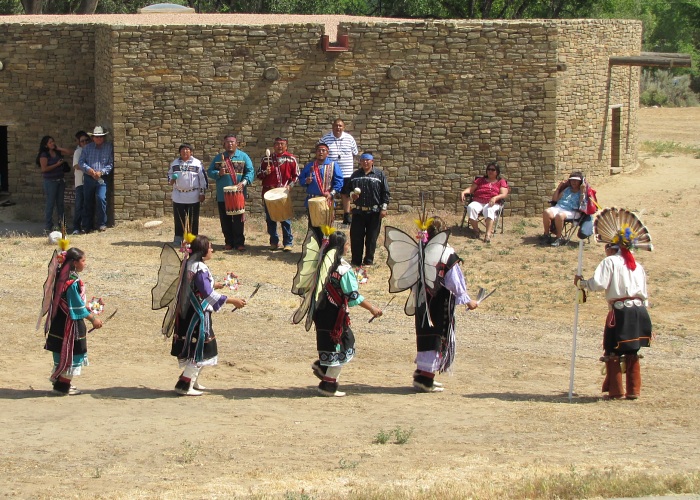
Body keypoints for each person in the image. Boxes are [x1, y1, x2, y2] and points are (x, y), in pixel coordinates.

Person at [575, 238, 653, 400]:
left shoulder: (610, 261)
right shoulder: (638, 266)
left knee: (611, 348)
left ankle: (616, 391)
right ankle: (633, 390)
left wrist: (582, 284)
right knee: (632, 350)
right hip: (640, 311)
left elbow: (598, 283)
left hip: (621, 312)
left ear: (611, 248)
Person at [171, 235, 247, 396]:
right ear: (202, 250)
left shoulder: (189, 263)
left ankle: (192, 380)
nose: (212, 250)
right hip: (196, 316)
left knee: (204, 346)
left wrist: (218, 284)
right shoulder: (199, 268)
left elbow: (198, 286)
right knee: (201, 348)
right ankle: (184, 385)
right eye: (210, 247)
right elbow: (207, 294)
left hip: (189, 312)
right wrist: (233, 300)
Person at [309, 231, 382, 397]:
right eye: (347, 243)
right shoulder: (343, 268)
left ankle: (322, 367)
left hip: (320, 313)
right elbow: (352, 296)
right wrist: (372, 308)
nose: (349, 246)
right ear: (341, 247)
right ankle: (327, 386)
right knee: (342, 346)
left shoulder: (319, 263)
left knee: (330, 345)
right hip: (335, 317)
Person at [411, 218, 478, 392]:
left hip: (422, 299)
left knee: (425, 332)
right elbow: (454, 281)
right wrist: (468, 300)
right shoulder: (446, 253)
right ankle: (426, 379)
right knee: (436, 335)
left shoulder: (420, 249)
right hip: (439, 301)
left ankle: (422, 374)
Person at [43, 247, 103, 395]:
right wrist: (93, 319)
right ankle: (62, 386)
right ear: (75, 263)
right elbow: (77, 307)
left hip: (59, 321)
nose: (85, 264)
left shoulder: (60, 276)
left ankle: (59, 381)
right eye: (83, 260)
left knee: (60, 350)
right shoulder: (72, 281)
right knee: (73, 352)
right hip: (70, 324)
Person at [342, 152, 390, 267]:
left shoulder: (379, 175)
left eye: (367, 160)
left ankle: (368, 261)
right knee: (356, 237)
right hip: (358, 211)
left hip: (374, 212)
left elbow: (385, 192)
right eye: (363, 160)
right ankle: (356, 261)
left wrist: (384, 208)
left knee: (372, 238)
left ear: (372, 161)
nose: (365, 162)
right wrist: (352, 194)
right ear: (360, 162)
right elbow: (347, 191)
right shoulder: (355, 175)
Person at [207, 134, 254, 251]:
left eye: (232, 142)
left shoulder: (243, 156)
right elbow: (209, 171)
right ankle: (228, 242)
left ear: (236, 143)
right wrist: (218, 173)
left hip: (238, 194)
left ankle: (239, 243)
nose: (230, 144)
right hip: (223, 196)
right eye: (227, 142)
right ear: (224, 144)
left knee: (238, 220)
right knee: (225, 220)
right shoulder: (218, 158)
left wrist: (243, 183)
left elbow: (250, 171)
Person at [257, 137, 299, 251]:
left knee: (285, 218)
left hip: (283, 192)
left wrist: (290, 186)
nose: (279, 146)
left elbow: (296, 176)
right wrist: (266, 172)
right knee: (270, 219)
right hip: (268, 192)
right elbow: (258, 175)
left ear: (286, 146)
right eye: (277, 144)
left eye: (282, 144)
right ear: (274, 146)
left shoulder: (291, 159)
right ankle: (274, 242)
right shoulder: (266, 159)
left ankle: (288, 242)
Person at [298, 142, 343, 241]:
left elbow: (339, 182)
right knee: (313, 226)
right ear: (316, 152)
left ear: (327, 153)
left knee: (327, 227)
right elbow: (301, 179)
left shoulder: (333, 165)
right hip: (312, 200)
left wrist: (332, 193)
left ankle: (326, 249)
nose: (321, 152)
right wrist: (306, 181)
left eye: (323, 150)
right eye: (319, 150)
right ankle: (315, 249)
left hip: (327, 200)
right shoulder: (310, 166)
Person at [168, 143, 207, 247]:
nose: (185, 152)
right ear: (180, 152)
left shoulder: (197, 163)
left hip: (193, 195)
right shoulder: (175, 163)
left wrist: (202, 193)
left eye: (187, 150)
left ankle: (193, 240)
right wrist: (172, 180)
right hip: (178, 195)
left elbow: (203, 179)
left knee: (193, 220)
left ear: (191, 152)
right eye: (183, 150)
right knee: (179, 218)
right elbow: (170, 175)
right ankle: (178, 238)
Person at [320, 118, 358, 225]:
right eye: (336, 125)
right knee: (330, 194)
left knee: (346, 195)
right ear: (332, 127)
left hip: (346, 173)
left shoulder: (349, 138)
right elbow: (320, 152)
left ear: (343, 127)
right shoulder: (325, 139)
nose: (338, 128)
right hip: (330, 173)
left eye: (340, 126)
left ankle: (347, 217)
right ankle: (330, 217)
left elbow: (355, 153)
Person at [460, 161, 509, 243]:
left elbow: (504, 194)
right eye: (489, 169)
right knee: (471, 207)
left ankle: (487, 234)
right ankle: (476, 231)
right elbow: (471, 189)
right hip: (478, 201)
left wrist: (495, 198)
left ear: (497, 172)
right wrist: (463, 192)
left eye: (493, 170)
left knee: (489, 209)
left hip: (493, 202)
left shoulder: (501, 181)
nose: (490, 171)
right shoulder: (480, 180)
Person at [79, 126, 114, 233]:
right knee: (87, 201)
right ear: (93, 137)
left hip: (101, 178)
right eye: (97, 137)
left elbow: (111, 163)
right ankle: (86, 226)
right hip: (89, 177)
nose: (99, 139)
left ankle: (101, 224)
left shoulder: (109, 147)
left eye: (101, 137)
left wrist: (101, 172)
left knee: (101, 199)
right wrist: (89, 170)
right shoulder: (87, 148)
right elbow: (81, 162)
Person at [36, 135, 73, 233]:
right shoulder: (44, 155)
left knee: (60, 204)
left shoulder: (57, 152)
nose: (52, 143)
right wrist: (57, 164)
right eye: (50, 142)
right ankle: (48, 226)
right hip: (50, 182)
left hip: (60, 180)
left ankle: (62, 225)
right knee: (50, 204)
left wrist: (58, 148)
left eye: (53, 141)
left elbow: (70, 152)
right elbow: (44, 169)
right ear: (46, 145)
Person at [541, 171, 584, 247]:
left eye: (576, 180)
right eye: (572, 180)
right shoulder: (567, 189)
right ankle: (546, 235)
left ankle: (559, 238)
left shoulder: (581, 192)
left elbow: (581, 204)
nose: (574, 182)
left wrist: (582, 191)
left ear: (580, 181)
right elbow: (555, 199)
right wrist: (559, 187)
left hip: (572, 211)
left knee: (559, 216)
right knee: (546, 212)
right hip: (559, 207)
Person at [71, 131, 90, 234]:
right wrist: (89, 169)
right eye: (83, 141)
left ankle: (86, 226)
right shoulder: (78, 152)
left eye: (87, 140)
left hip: (89, 181)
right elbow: (76, 166)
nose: (85, 142)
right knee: (79, 205)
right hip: (80, 182)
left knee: (88, 204)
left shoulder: (91, 150)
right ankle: (76, 227)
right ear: (79, 143)